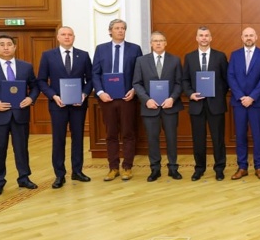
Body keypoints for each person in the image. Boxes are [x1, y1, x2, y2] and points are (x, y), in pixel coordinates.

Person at [0, 34, 40, 196]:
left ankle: (24, 178)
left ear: (15, 47)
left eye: (9, 44)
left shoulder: (26, 67)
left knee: (21, 149)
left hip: (20, 115)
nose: (6, 47)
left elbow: (35, 87)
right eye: (2, 44)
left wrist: (30, 98)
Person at [37, 26, 93, 189]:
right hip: (58, 104)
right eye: (63, 34)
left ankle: (77, 171)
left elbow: (90, 79)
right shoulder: (48, 56)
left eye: (70, 35)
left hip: (78, 105)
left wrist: (84, 94)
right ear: (58, 37)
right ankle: (59, 175)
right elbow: (41, 80)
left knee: (78, 138)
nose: (67, 37)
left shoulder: (83, 55)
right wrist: (53, 96)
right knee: (58, 139)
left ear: (74, 37)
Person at [92, 19, 143, 182]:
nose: (120, 31)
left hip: (127, 98)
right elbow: (95, 73)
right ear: (110, 31)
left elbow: (140, 72)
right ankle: (113, 168)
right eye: (117, 28)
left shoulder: (135, 49)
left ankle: (127, 167)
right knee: (111, 134)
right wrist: (100, 92)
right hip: (107, 99)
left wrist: (134, 90)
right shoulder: (101, 49)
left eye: (123, 28)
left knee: (128, 133)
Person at [132, 31, 184, 181]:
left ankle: (173, 168)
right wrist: (146, 100)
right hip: (150, 107)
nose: (158, 43)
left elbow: (179, 83)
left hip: (170, 107)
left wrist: (172, 98)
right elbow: (137, 83)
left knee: (171, 138)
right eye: (155, 41)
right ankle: (155, 169)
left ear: (165, 43)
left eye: (161, 40)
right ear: (151, 44)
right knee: (152, 139)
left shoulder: (175, 60)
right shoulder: (141, 61)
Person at [183, 26, 229, 182]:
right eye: (201, 35)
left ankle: (219, 169)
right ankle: (199, 169)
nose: (204, 38)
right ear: (196, 38)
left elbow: (226, 80)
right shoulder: (189, 57)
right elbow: (185, 80)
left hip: (216, 105)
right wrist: (190, 94)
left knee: (218, 139)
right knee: (198, 139)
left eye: (206, 35)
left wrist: (218, 93)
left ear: (211, 38)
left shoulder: (220, 56)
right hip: (196, 105)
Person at [227, 27, 260, 180]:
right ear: (242, 38)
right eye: (246, 35)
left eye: (251, 35)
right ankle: (242, 167)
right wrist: (241, 96)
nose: (249, 38)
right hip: (239, 103)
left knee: (258, 135)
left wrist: (251, 97)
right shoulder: (235, 55)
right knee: (240, 135)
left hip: (256, 103)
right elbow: (230, 77)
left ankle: (259, 167)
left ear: (256, 37)